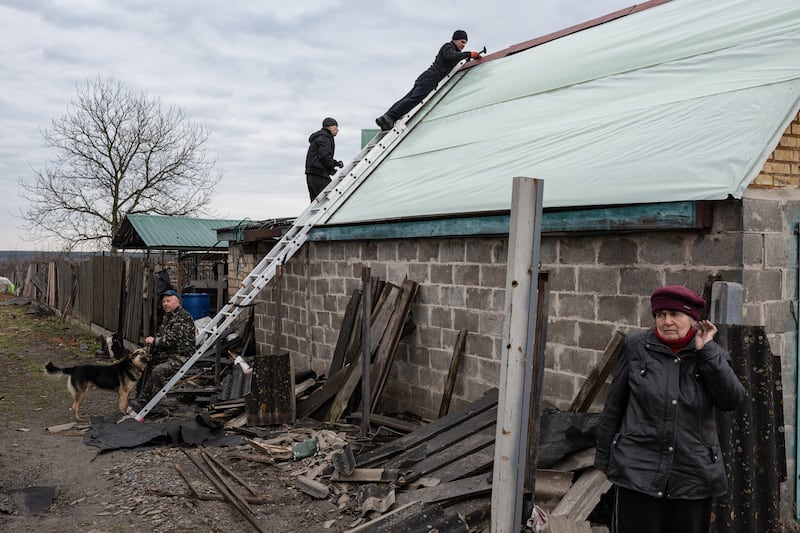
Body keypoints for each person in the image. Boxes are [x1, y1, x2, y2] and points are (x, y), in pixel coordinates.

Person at [594, 285, 746, 533]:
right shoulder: (636, 347)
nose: (667, 321)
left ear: (693, 320)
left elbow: (732, 400)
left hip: (693, 472)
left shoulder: (711, 354)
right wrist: (603, 457)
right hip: (638, 469)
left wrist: (706, 352)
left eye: (675, 315)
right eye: (661, 314)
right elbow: (614, 406)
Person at [375, 30, 483, 131]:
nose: (464, 45)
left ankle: (386, 118)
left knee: (408, 98)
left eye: (465, 43)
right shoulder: (448, 47)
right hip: (431, 78)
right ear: (455, 39)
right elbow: (451, 57)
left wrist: (468, 59)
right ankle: (391, 117)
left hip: (426, 77)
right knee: (414, 99)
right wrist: (469, 54)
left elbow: (454, 59)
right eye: (462, 42)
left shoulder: (452, 50)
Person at [136, 289, 197, 408]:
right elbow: (161, 335)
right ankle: (140, 396)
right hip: (168, 354)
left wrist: (154, 341)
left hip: (181, 355)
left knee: (158, 371)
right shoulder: (167, 317)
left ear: (177, 301)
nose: (165, 304)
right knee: (145, 364)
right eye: (164, 301)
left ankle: (144, 403)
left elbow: (171, 340)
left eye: (168, 301)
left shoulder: (183, 317)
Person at [305, 117, 343, 201]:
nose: (337, 129)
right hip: (319, 174)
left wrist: (335, 163)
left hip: (312, 174)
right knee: (331, 199)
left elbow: (323, 155)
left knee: (316, 202)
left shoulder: (320, 137)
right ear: (329, 127)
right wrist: (332, 168)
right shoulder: (325, 137)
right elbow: (324, 156)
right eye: (336, 127)